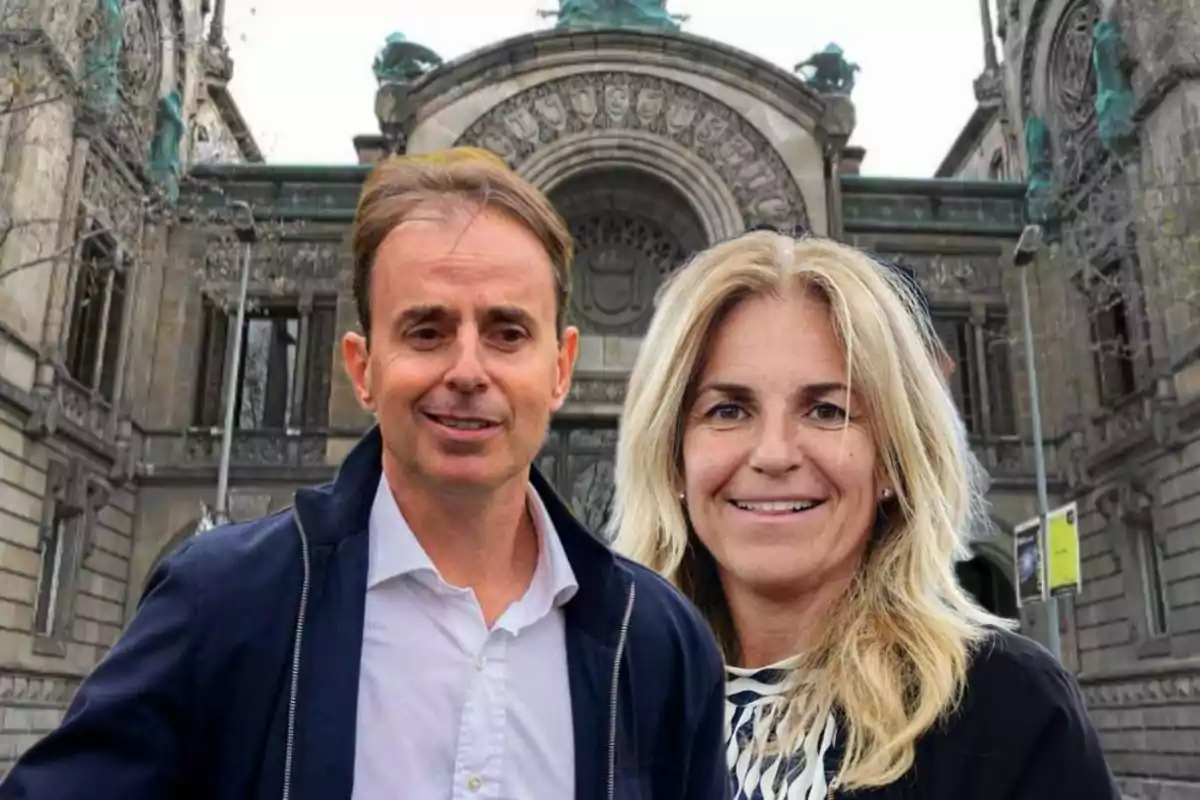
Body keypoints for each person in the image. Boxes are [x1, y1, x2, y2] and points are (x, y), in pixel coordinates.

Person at [0, 148, 730, 800]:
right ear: (363, 368)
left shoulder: (660, 641)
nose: (468, 371)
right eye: (427, 331)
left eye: (508, 332)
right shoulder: (223, 604)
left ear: (561, 367)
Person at [611, 231, 1119, 799]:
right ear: (673, 456)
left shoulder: (1010, 708)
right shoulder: (594, 697)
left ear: (892, 463)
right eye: (728, 410)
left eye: (828, 410)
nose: (775, 453)